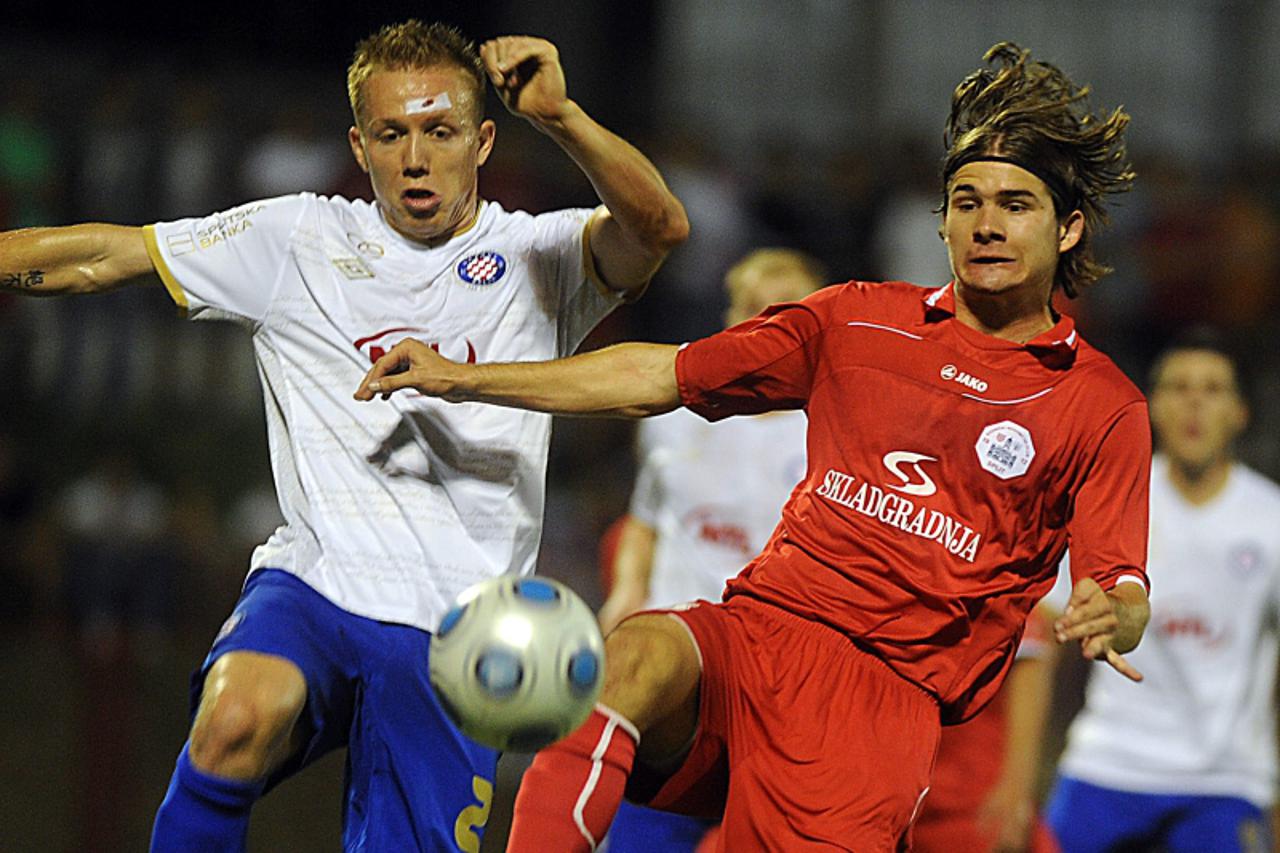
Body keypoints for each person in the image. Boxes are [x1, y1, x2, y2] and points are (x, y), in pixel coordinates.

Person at [355, 42, 1151, 851]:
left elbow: (1122, 585)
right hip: (755, 631)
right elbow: (658, 374)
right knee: (627, 659)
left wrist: (1114, 615)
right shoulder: (860, 320)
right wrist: (466, 377)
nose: (986, 225)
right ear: (941, 220)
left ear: (1068, 228)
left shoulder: (1100, 403)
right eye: (966, 201)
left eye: (1016, 204)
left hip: (877, 705)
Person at [0, 20, 688, 853]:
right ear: (360, 148)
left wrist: (562, 117)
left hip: (459, 632)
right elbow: (107, 256)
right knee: (233, 718)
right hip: (316, 584)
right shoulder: (300, 237)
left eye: (440, 132)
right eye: (392, 135)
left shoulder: (539, 255)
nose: (416, 158)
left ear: (482, 140)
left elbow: (657, 229)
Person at [599, 248, 822, 853]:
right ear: (729, 318)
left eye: (787, 315)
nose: (767, 328)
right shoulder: (673, 417)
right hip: (674, 664)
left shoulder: (832, 433)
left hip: (775, 682)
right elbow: (645, 519)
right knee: (648, 824)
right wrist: (627, 592)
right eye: (753, 310)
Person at [1044, 330, 1280, 853]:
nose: (1194, 403)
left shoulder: (1271, 520)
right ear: (1151, 406)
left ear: (1240, 412)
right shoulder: (1111, 501)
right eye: (1179, 387)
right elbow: (1046, 628)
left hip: (1224, 778)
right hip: (1109, 761)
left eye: (1212, 389)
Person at [911, 605, 1058, 853]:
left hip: (971, 800)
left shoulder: (1002, 596)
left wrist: (1016, 788)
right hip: (911, 791)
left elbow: (1029, 671)